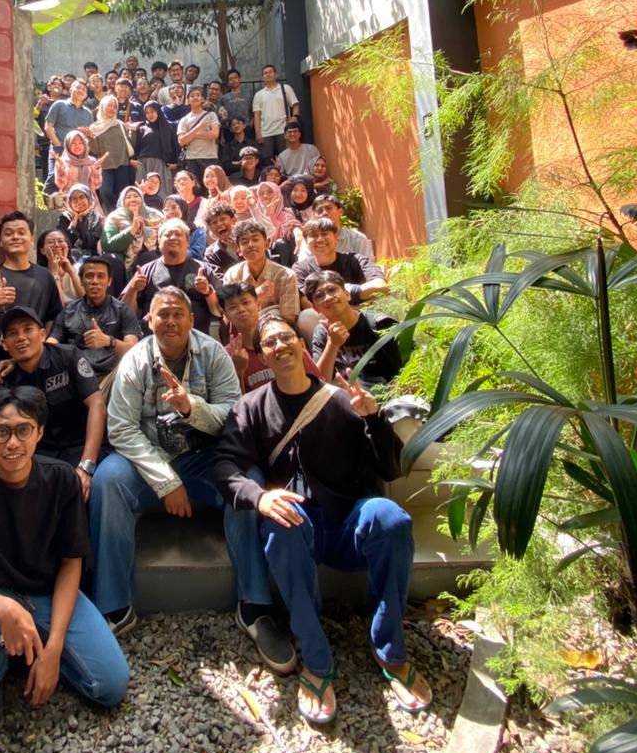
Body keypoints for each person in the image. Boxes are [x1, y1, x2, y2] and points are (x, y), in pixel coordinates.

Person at [212, 313, 431, 725]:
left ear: (301, 343)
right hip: (298, 530)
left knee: (391, 519)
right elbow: (224, 464)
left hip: (347, 522)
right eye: (270, 342)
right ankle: (315, 657)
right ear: (262, 356)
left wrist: (374, 419)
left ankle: (390, 649)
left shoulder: (340, 400)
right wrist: (259, 497)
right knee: (282, 520)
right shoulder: (251, 407)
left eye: (286, 337)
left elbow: (391, 469)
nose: (280, 346)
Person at [89, 288, 295, 673]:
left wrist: (190, 407)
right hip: (149, 463)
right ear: (149, 320)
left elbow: (233, 415)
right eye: (162, 314)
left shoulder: (213, 354)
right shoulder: (135, 360)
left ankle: (255, 604)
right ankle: (114, 605)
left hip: (203, 461)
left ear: (192, 319)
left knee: (247, 479)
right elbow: (121, 428)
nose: (170, 321)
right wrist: (167, 481)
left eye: (178, 314)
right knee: (108, 480)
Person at [0, 386, 129, 736]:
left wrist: (53, 650)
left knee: (110, 686)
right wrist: (5, 610)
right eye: (2, 432)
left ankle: (28, 654)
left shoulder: (62, 480)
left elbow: (71, 562)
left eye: (23, 430)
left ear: (39, 433)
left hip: (46, 594)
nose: (13, 443)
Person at [0, 307, 104, 500]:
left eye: (28, 329)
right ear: (4, 344)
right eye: (13, 333)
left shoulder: (68, 356)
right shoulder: (4, 377)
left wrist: (86, 465)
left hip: (79, 447)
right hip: (36, 454)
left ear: (43, 334)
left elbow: (96, 403)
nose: (21, 337)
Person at [49, 255, 141, 388]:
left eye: (101, 276)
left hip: (111, 376)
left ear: (109, 281)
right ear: (81, 281)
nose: (95, 281)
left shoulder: (122, 310)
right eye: (89, 276)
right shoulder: (69, 311)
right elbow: (53, 341)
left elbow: (133, 349)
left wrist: (109, 341)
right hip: (75, 374)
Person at [122, 218, 221, 335]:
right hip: (156, 339)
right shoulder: (145, 271)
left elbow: (219, 311)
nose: (173, 238)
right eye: (168, 235)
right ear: (159, 242)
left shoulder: (203, 270)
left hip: (196, 339)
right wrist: (133, 289)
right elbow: (125, 314)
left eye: (178, 234)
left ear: (188, 242)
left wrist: (208, 292)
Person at [220, 282, 322, 392]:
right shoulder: (227, 355)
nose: (241, 309)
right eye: (232, 307)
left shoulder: (286, 341)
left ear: (258, 305)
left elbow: (317, 381)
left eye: (245, 302)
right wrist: (238, 371)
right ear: (226, 315)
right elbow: (235, 400)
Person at [307, 271, 402, 386]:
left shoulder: (379, 324)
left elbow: (406, 369)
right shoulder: (322, 332)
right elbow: (321, 382)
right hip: (347, 394)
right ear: (315, 308)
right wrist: (332, 344)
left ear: (347, 295)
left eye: (332, 290)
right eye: (319, 296)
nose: (327, 298)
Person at [293, 218, 388, 308]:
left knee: (386, 301)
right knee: (307, 315)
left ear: (336, 239)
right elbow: (307, 303)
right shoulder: (301, 268)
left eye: (325, 234)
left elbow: (381, 286)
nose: (320, 239)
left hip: (362, 311)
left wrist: (347, 292)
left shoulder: (357, 260)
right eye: (314, 235)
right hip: (324, 317)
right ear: (306, 243)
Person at [224, 220, 300, 323]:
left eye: (255, 239)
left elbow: (289, 316)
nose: (250, 245)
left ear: (267, 244)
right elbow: (230, 312)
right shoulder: (232, 275)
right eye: (244, 242)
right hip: (244, 325)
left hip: (276, 325)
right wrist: (255, 295)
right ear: (239, 250)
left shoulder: (285, 275)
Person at [89, 93, 136, 210]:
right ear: (103, 107)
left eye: (115, 106)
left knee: (123, 194)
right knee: (105, 192)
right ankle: (113, 213)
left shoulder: (120, 124)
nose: (112, 109)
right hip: (105, 166)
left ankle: (122, 214)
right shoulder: (94, 127)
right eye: (109, 105)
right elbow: (95, 150)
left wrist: (133, 130)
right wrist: (90, 137)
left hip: (122, 164)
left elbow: (130, 144)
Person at [102, 184, 163, 273]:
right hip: (122, 258)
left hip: (149, 257)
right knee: (112, 260)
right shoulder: (114, 217)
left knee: (151, 257)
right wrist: (132, 230)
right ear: (122, 201)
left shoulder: (154, 215)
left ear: (142, 199)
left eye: (136, 196)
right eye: (128, 197)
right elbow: (107, 245)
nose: (132, 199)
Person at [252, 65, 300, 161]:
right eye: (265, 73)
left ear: (276, 74)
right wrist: (258, 133)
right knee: (267, 160)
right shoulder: (258, 95)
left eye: (270, 72)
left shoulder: (286, 88)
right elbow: (257, 115)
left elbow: (295, 104)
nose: (268, 74)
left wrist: (294, 117)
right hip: (266, 132)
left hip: (283, 130)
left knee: (286, 158)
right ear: (262, 77)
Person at [44, 80, 93, 172]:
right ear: (70, 89)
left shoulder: (88, 113)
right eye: (78, 87)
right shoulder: (59, 105)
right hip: (59, 148)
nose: (81, 91)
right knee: (54, 176)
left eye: (84, 89)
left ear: (86, 95)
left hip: (78, 152)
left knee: (77, 177)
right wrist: (57, 144)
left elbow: (89, 135)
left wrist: (85, 148)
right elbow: (48, 126)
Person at [134, 100, 178, 198]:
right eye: (147, 113)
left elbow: (174, 146)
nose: (150, 115)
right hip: (144, 164)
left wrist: (176, 164)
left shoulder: (168, 127)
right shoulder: (142, 128)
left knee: (162, 192)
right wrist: (133, 160)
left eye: (152, 111)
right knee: (143, 190)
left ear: (158, 111)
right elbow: (137, 147)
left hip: (161, 164)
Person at [177, 85, 220, 184]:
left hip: (209, 157)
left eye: (198, 95)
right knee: (195, 188)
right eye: (192, 96)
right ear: (188, 100)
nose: (195, 97)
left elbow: (214, 134)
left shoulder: (211, 115)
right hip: (191, 158)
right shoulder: (184, 120)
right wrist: (198, 127)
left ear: (203, 99)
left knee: (211, 186)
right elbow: (181, 141)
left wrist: (192, 135)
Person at [313, 194, 376, 260]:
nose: (324, 213)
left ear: (340, 211)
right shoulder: (311, 242)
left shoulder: (358, 238)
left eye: (329, 208)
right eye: (319, 211)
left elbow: (368, 264)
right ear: (314, 216)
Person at [52, 129, 105, 206]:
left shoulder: (91, 161)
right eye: (73, 143)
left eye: (81, 143)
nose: (77, 146)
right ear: (67, 145)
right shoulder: (62, 161)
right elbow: (61, 185)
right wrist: (61, 167)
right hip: (69, 201)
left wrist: (96, 169)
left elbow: (96, 185)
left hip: (88, 201)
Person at [57, 184, 104, 259]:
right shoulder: (65, 217)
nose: (78, 202)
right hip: (68, 256)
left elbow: (89, 243)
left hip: (91, 258)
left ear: (88, 199)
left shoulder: (97, 218)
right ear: (70, 202)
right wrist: (74, 221)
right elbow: (65, 242)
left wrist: (81, 220)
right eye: (74, 198)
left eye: (82, 197)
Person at [37, 228, 83, 304]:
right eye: (51, 242)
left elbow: (87, 301)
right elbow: (58, 306)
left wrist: (72, 272)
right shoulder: (39, 275)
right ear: (42, 250)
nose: (56, 245)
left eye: (60, 241)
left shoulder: (80, 268)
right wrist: (55, 274)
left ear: (67, 247)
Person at [161, 194, 207, 261]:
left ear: (183, 208)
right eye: (166, 209)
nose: (170, 212)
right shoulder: (162, 232)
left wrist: (174, 254)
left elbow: (196, 253)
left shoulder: (198, 231)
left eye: (174, 207)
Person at [203, 202, 242, 280]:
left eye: (222, 219)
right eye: (214, 222)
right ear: (211, 229)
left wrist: (239, 251)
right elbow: (218, 280)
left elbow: (258, 265)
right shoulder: (211, 253)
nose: (219, 224)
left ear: (233, 220)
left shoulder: (249, 240)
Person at [195, 164, 230, 228]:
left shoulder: (231, 194)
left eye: (212, 176)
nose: (209, 179)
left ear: (220, 177)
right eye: (206, 177)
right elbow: (199, 220)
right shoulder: (207, 200)